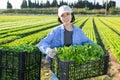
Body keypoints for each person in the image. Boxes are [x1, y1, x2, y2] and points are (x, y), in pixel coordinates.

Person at [38, 5, 94, 80]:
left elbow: (87, 41)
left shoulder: (78, 31)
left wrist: (97, 47)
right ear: (60, 18)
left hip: (74, 65)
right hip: (58, 65)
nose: (65, 17)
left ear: (71, 15)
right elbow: (42, 43)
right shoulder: (55, 31)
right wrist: (48, 50)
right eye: (62, 15)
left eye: (67, 14)